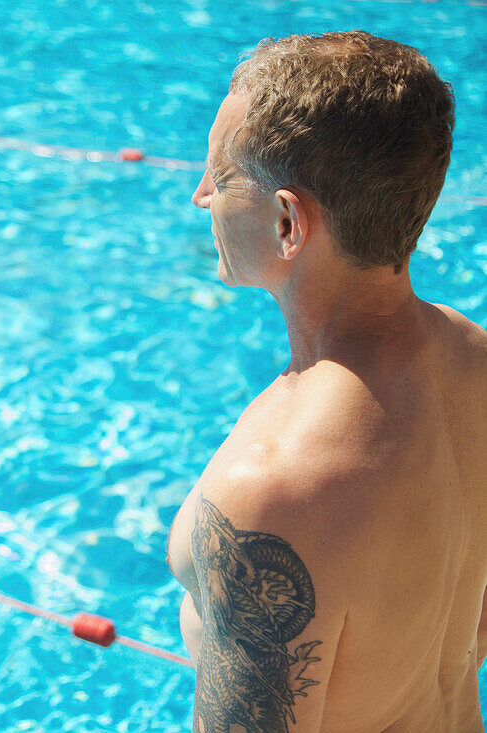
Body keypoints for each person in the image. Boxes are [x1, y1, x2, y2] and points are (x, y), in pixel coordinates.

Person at [166, 31, 487, 732]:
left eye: (219, 177)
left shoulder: (276, 486)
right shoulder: (474, 361)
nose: (200, 196)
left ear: (287, 222)